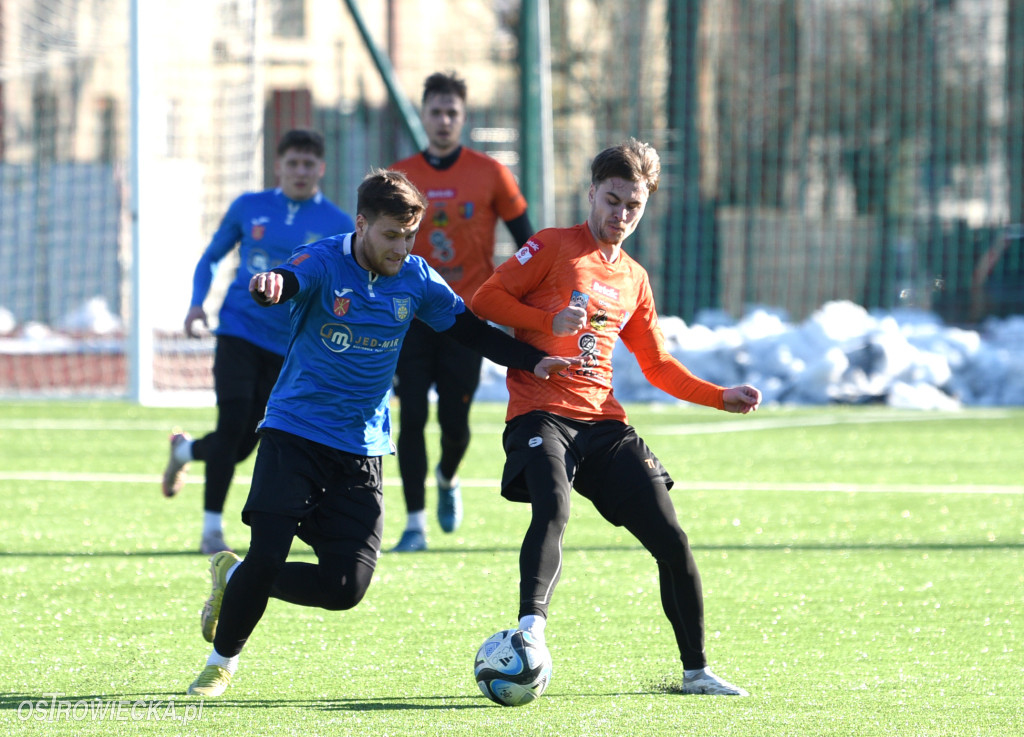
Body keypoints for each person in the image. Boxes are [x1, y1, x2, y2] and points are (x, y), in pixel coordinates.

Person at [185, 169, 575, 698]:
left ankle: (235, 580)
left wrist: (535, 360)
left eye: (408, 236)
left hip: (360, 448)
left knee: (346, 587)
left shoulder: (415, 279)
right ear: (363, 224)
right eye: (391, 235)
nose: (401, 247)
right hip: (294, 431)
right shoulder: (324, 259)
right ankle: (220, 663)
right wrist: (271, 285)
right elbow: (289, 278)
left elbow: (469, 331)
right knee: (270, 552)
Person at [470, 138, 762, 696]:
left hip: (602, 424)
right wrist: (549, 319)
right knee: (553, 507)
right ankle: (531, 635)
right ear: (591, 195)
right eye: (612, 200)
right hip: (540, 413)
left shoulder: (634, 277)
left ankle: (696, 671)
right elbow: (485, 301)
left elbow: (656, 364)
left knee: (672, 540)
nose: (621, 215)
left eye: (634, 205)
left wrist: (719, 395)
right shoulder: (552, 246)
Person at [161, 129, 355, 555]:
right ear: (278, 166)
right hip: (238, 330)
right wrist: (196, 305)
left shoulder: (338, 225)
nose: (301, 171)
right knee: (232, 424)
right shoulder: (249, 207)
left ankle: (186, 450)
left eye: (309, 164)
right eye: (293, 163)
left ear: (320, 169)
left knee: (246, 443)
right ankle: (211, 531)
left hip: (289, 346)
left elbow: (343, 288)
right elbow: (211, 257)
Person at [388, 71, 535, 552]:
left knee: (455, 423)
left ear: (463, 117)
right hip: (410, 317)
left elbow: (527, 242)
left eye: (452, 112)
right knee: (411, 417)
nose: (444, 120)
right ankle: (414, 523)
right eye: (436, 111)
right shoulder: (401, 176)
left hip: (466, 320)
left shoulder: (491, 173)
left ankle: (448, 478)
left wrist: (526, 300)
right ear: (423, 115)